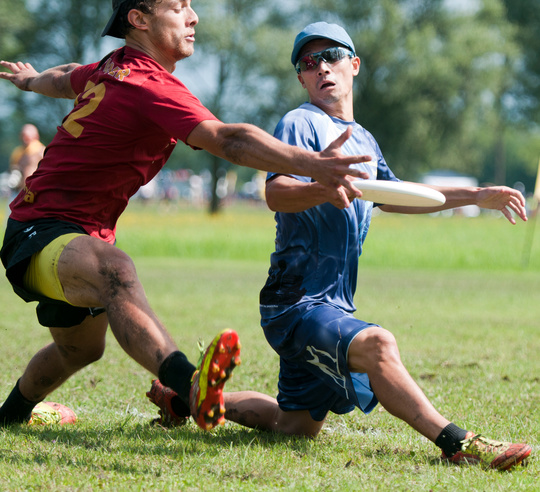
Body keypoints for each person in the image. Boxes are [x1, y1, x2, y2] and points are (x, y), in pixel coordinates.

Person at [0, 1, 369, 431]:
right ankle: (190, 385)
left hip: (78, 237)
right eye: (179, 7)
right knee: (115, 271)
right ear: (139, 19)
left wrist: (30, 81)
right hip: (38, 230)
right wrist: (311, 163)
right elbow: (227, 140)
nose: (193, 17)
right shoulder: (148, 85)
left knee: (79, 350)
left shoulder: (113, 67)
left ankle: (9, 416)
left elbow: (65, 76)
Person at [217, 22, 532, 471]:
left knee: (295, 427)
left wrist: (476, 195)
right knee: (379, 345)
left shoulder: (363, 139)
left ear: (354, 65)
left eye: (332, 56)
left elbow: (397, 195)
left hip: (333, 306)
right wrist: (322, 188)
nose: (322, 68)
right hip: (296, 304)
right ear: (302, 78)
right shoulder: (300, 123)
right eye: (309, 62)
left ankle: (188, 395)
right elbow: (277, 192)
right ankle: (459, 442)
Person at [7, 124, 45, 199]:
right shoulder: (18, 152)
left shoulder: (42, 150)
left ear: (36, 136)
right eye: (23, 136)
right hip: (19, 191)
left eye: (27, 136)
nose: (25, 139)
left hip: (36, 191)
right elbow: (13, 169)